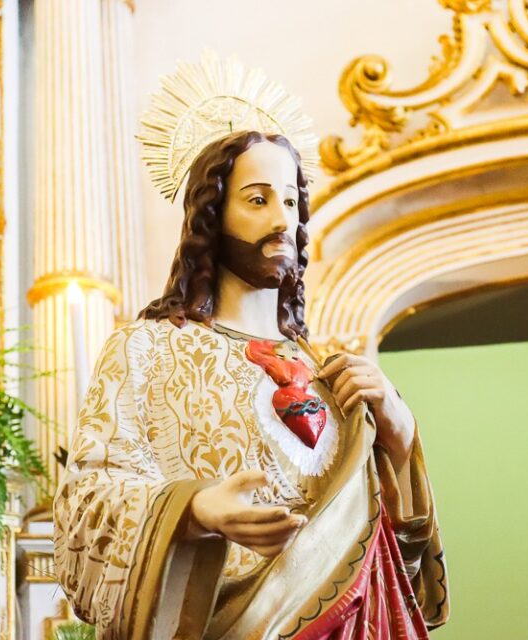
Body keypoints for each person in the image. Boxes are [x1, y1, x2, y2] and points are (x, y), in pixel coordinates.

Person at [54, 131, 449, 639]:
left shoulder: (333, 376)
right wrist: (193, 511)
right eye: (258, 200)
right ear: (212, 215)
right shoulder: (145, 349)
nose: (282, 220)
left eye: (290, 202)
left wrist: (399, 435)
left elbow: (401, 563)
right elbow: (87, 502)